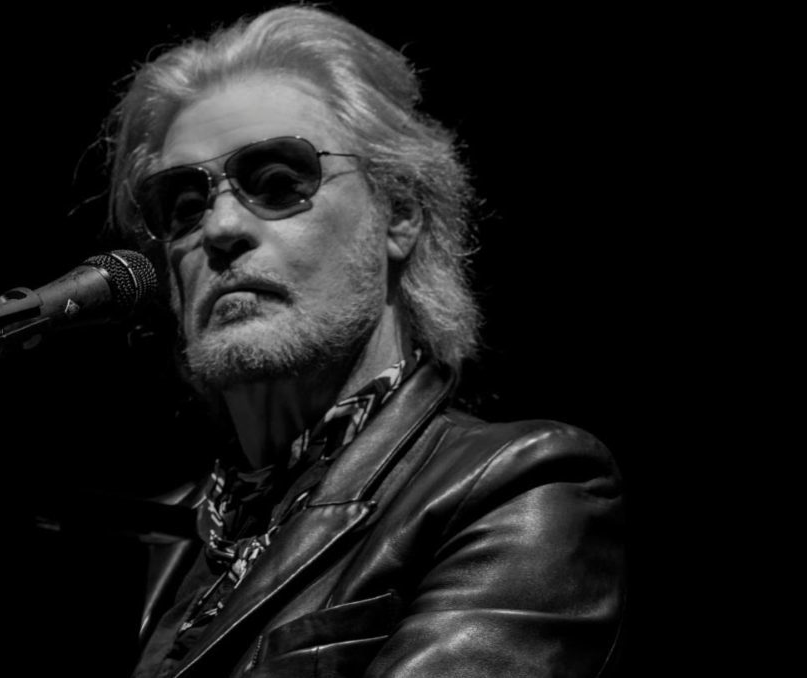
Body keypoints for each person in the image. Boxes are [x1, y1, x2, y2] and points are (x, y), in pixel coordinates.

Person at [106, 5, 625, 677]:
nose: (220, 228)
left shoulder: (517, 483)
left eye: (277, 184)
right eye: (183, 206)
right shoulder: (153, 532)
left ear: (399, 214)